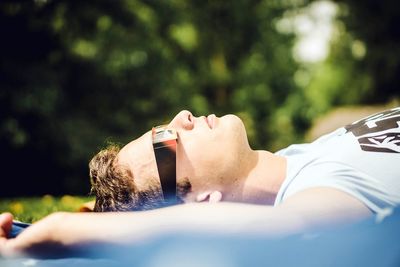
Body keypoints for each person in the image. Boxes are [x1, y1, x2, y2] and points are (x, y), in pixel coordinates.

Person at [1, 107, 399, 258]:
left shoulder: (299, 159)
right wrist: (65, 233)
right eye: (167, 142)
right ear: (205, 202)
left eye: (161, 128)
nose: (182, 116)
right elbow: (293, 229)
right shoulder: (327, 197)